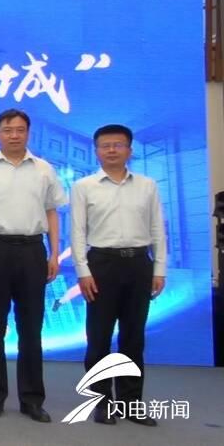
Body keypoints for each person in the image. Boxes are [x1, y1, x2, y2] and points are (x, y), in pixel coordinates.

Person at [0, 108, 67, 423]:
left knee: (31, 329)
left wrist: (54, 253)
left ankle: (32, 399)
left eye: (20, 130)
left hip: (32, 250)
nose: (14, 135)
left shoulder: (44, 169)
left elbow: (52, 213)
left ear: (28, 133)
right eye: (8, 130)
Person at [72, 124, 166, 427]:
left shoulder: (147, 185)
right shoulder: (84, 186)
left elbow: (157, 229)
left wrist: (159, 268)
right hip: (102, 264)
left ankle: (130, 402)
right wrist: (83, 271)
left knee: (133, 338)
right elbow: (78, 232)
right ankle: (101, 403)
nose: (111, 150)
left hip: (139, 264)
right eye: (105, 145)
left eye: (118, 144)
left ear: (129, 150)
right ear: (96, 151)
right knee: (98, 338)